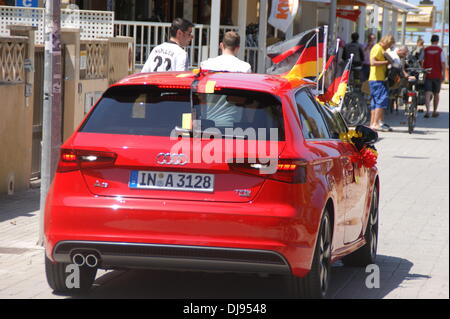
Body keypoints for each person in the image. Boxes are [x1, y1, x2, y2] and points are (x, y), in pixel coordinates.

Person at [369, 35, 396, 132]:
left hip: (375, 79)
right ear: (386, 42)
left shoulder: (379, 48)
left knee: (375, 102)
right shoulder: (377, 48)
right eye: (389, 45)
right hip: (377, 79)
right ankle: (376, 123)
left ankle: (372, 123)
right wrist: (387, 63)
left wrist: (387, 57)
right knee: (381, 99)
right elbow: (372, 62)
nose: (388, 47)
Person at [420, 35, 446, 118]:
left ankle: (428, 111)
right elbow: (443, 63)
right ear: (437, 41)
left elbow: (421, 60)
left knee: (427, 93)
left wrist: (423, 69)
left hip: (427, 73)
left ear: (431, 41)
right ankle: (434, 111)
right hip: (437, 74)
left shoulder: (426, 50)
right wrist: (443, 74)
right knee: (436, 93)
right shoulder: (440, 50)